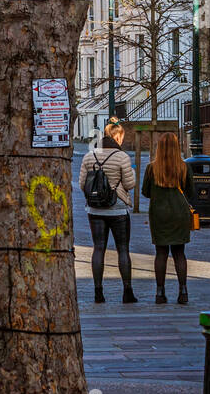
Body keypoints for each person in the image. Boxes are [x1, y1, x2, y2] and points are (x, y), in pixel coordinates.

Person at [77, 119, 137, 304]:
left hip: (95, 209)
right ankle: (127, 292)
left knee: (98, 248)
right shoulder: (122, 157)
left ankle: (98, 292)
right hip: (117, 209)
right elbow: (129, 184)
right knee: (123, 249)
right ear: (117, 137)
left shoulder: (89, 156)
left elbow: (82, 184)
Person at [141, 132, 194, 305]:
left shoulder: (151, 168)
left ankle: (160, 292)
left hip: (159, 214)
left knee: (161, 253)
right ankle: (183, 291)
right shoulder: (184, 167)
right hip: (179, 213)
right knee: (179, 253)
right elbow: (191, 192)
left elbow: (145, 192)